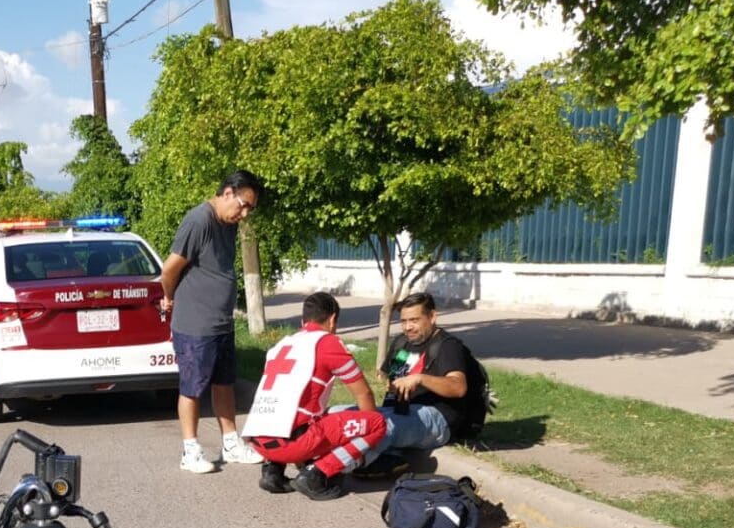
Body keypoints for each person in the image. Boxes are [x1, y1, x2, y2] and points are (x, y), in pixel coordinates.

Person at [160, 170, 266, 474]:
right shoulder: (199, 221)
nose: (244, 214)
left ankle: (231, 443)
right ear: (228, 192)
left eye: (250, 209)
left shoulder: (227, 223)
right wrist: (169, 297)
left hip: (221, 321)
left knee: (224, 383)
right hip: (196, 323)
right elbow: (170, 269)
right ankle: (190, 450)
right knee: (192, 386)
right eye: (243, 205)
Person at [241, 292, 389, 500]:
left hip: (259, 441)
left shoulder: (281, 345)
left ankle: (272, 472)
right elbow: (363, 392)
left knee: (300, 411)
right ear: (332, 320)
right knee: (378, 423)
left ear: (303, 321)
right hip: (292, 444)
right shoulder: (328, 343)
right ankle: (316, 474)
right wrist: (369, 435)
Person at [371, 292, 488, 462]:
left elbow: (458, 387)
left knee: (376, 429)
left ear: (432, 317)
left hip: (439, 419)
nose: (407, 327)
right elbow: (393, 382)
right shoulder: (401, 344)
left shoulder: (448, 346)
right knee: (344, 415)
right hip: (402, 412)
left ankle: (333, 469)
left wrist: (420, 378)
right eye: (403, 321)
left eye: (414, 320)